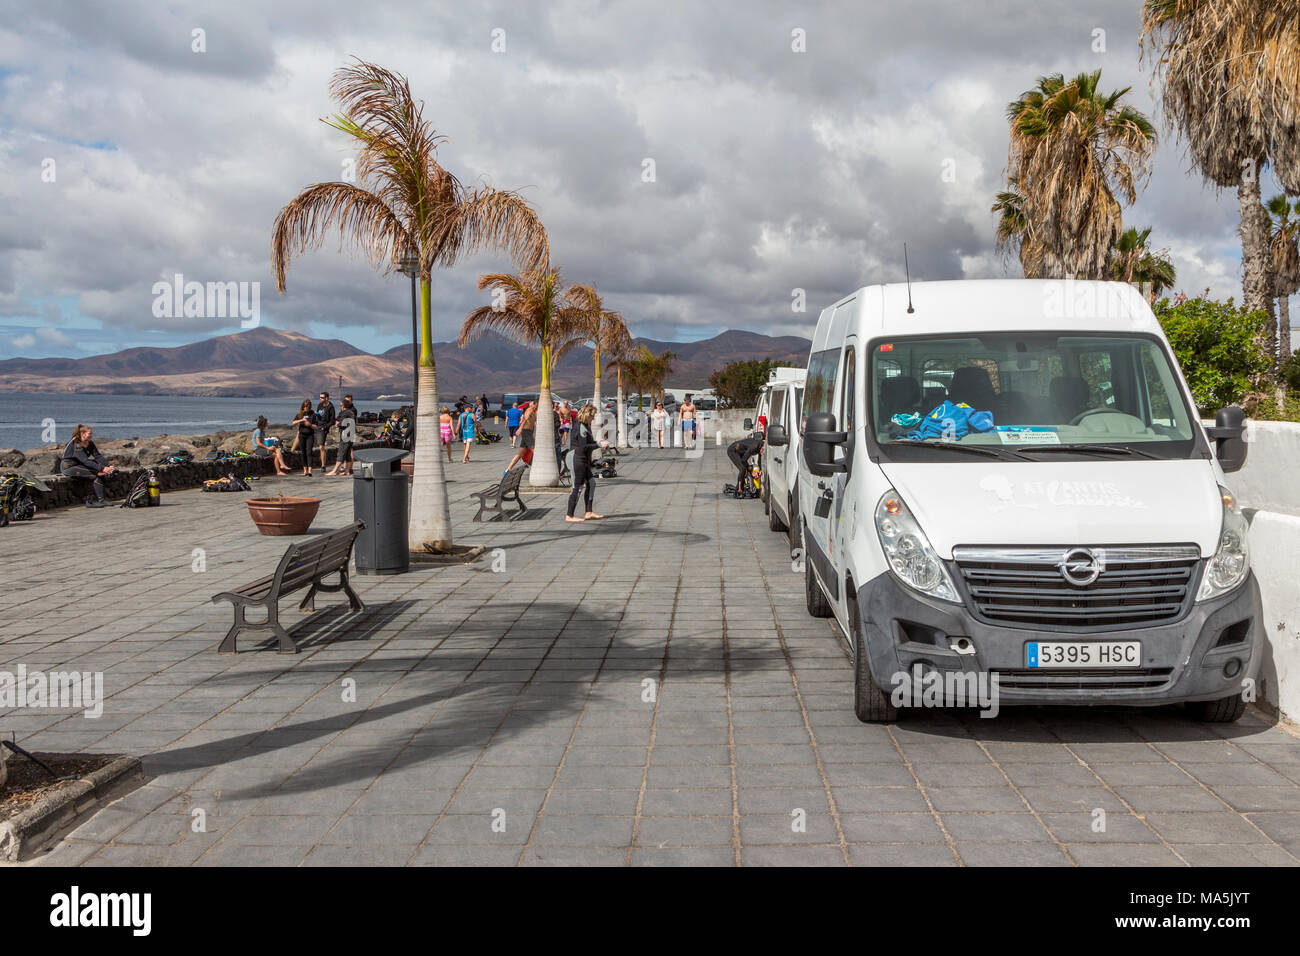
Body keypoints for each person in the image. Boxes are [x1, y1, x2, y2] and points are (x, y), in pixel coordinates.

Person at [566, 405, 609, 523]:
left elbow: (588, 443)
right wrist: (599, 445)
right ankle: (569, 515)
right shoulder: (580, 426)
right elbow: (583, 446)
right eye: (592, 416)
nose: (593, 418)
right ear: (587, 415)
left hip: (583, 459)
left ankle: (588, 512)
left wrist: (597, 442)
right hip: (577, 458)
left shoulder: (585, 426)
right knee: (577, 487)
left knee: (591, 483)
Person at [60, 424, 115, 507]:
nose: (91, 435)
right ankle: (90, 502)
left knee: (99, 472)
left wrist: (108, 466)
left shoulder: (90, 443)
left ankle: (102, 500)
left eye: (91, 433)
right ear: (83, 434)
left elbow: (98, 456)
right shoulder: (77, 445)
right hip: (69, 467)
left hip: (79, 465)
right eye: (89, 434)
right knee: (95, 475)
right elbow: (85, 461)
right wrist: (102, 468)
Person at [326, 398, 357, 476]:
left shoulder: (345, 412)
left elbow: (343, 422)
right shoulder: (351, 412)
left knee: (341, 452)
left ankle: (335, 471)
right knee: (348, 454)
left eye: (340, 405)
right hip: (351, 435)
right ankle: (347, 471)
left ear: (343, 406)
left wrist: (337, 424)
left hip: (345, 435)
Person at [505, 402, 536, 472]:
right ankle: (538, 467)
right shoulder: (529, 410)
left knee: (519, 454)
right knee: (535, 450)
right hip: (526, 432)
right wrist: (520, 428)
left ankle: (507, 470)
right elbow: (524, 419)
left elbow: (508, 418)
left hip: (523, 431)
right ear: (533, 405)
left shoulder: (533, 412)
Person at [291, 400, 319, 476]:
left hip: (310, 435)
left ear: (310, 407)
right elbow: (293, 422)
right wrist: (301, 420)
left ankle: (310, 470)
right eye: (304, 406)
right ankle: (305, 470)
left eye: (307, 406)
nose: (306, 408)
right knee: (303, 452)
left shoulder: (313, 414)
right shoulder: (300, 413)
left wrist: (310, 425)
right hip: (302, 435)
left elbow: (316, 426)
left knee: (309, 452)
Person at [316, 392, 336, 470]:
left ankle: (323, 465)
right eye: (320, 397)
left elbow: (332, 420)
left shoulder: (331, 407)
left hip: (323, 428)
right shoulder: (320, 405)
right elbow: (318, 415)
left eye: (322, 397)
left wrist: (325, 427)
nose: (320, 399)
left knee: (321, 446)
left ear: (327, 398)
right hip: (318, 426)